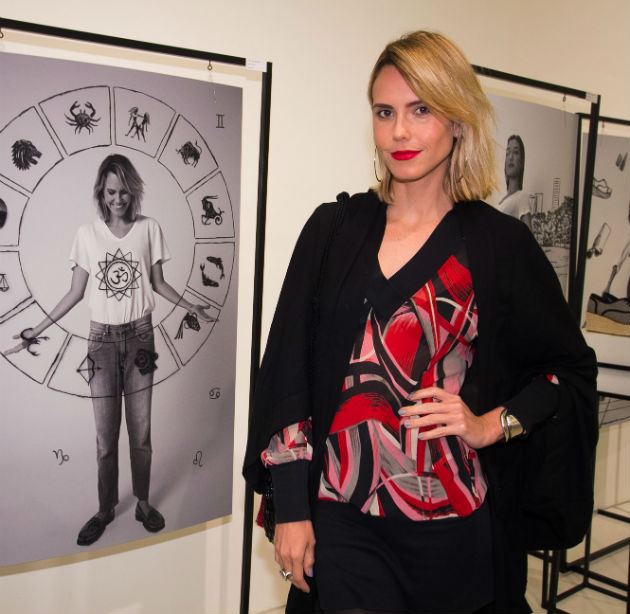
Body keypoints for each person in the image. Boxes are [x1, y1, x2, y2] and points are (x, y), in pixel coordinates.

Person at [243, 31, 597, 613]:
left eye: (421, 110)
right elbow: (287, 379)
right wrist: (293, 510)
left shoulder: (500, 245)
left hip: (453, 524)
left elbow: (565, 371)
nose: (399, 132)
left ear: (457, 121)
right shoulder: (334, 230)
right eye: (385, 112)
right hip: (343, 519)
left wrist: (493, 425)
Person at [6, 154, 211, 546]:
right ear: (101, 192)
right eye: (111, 192)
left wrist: (190, 306)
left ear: (134, 192)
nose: (117, 199)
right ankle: (105, 509)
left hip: (141, 338)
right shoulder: (87, 234)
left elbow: (158, 283)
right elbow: (75, 292)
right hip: (100, 342)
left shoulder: (149, 228)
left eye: (124, 192)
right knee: (105, 437)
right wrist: (36, 329)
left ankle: (143, 503)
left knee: (141, 431)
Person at [497, 134, 533, 229]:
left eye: (516, 152)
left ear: (521, 162)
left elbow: (529, 236)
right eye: (508, 153)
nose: (511, 157)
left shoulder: (522, 197)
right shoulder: (501, 199)